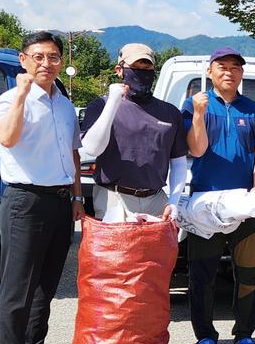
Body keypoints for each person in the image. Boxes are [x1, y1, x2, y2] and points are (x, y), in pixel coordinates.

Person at [0, 31, 85, 344]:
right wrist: (23, 95)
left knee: (46, 285)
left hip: (60, 200)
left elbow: (73, 154)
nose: (47, 63)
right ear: (23, 59)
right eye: (39, 56)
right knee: (18, 287)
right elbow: (8, 138)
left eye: (54, 57)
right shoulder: (10, 100)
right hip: (25, 201)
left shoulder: (63, 103)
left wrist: (77, 197)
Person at [181, 47, 255, 344]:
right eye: (222, 66)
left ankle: (244, 334)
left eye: (235, 67)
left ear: (241, 74)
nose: (229, 72)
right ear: (210, 71)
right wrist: (198, 114)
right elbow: (196, 149)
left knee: (247, 273)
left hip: (246, 204)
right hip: (205, 202)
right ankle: (205, 336)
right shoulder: (195, 105)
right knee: (202, 274)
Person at [79, 43, 187, 223]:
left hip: (156, 199)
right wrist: (113, 102)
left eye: (147, 67)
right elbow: (92, 149)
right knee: (115, 252)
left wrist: (173, 201)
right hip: (114, 198)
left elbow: (178, 161)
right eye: (135, 67)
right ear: (119, 70)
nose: (142, 72)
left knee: (155, 252)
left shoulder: (170, 112)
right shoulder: (101, 105)